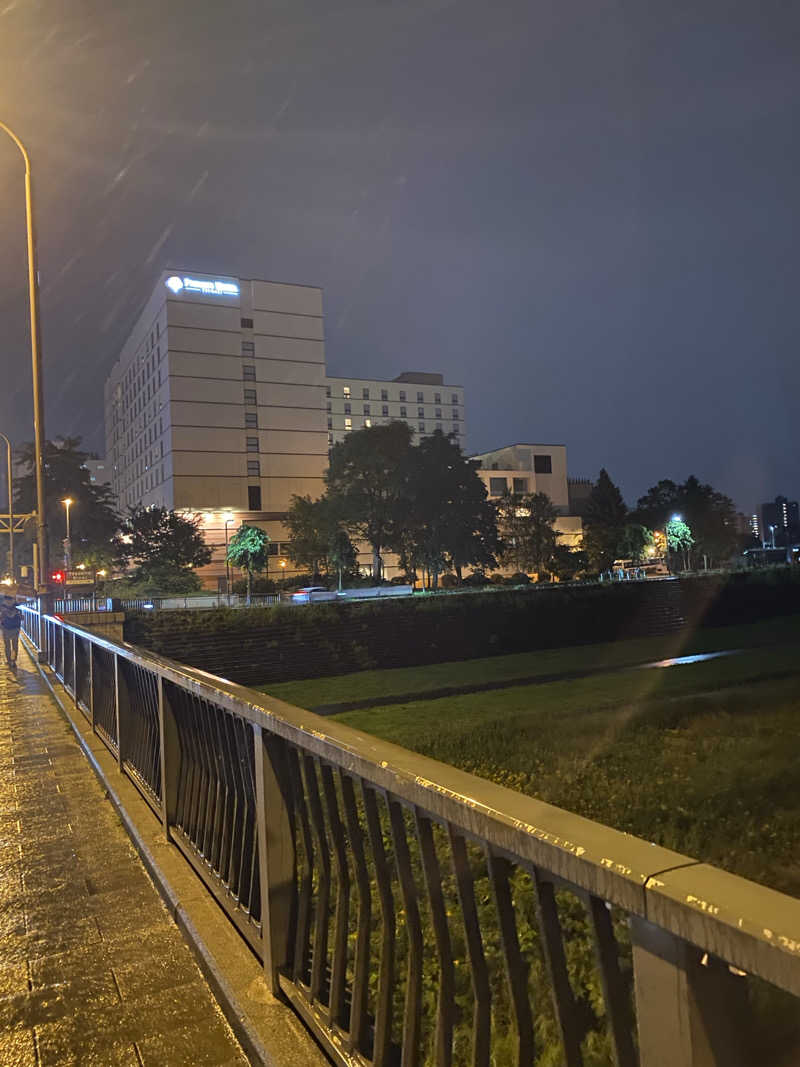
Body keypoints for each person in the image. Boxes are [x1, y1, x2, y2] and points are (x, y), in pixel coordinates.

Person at [1, 595, 22, 667]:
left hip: (6, 628)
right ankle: (13, 660)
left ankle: (9, 660)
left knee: (7, 646)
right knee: (14, 645)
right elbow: (22, 618)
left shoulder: (2, 607)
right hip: (15, 627)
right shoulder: (17, 607)